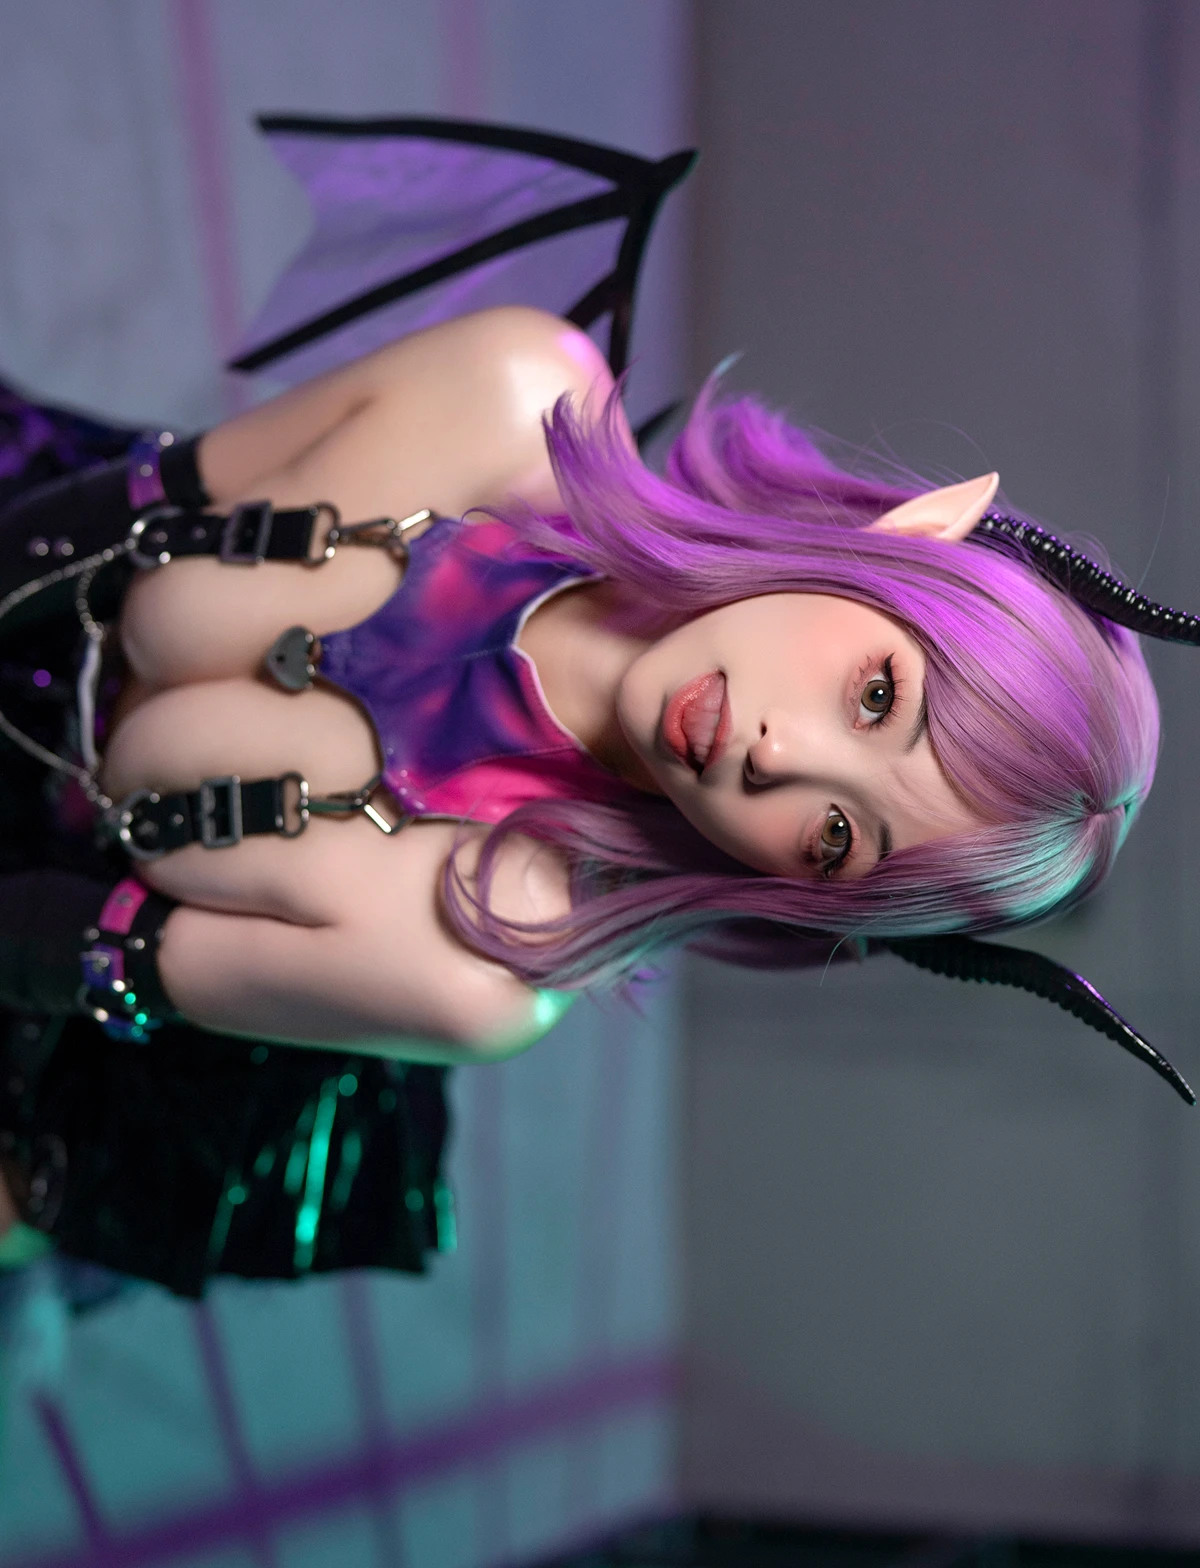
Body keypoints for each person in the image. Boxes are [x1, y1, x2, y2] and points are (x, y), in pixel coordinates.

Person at [0, 297, 1185, 1291]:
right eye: (878, 696)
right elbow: (132, 493)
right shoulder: (515, 391)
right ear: (915, 536)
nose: (778, 754)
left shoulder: (478, 956)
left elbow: (55, 947)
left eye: (835, 836)